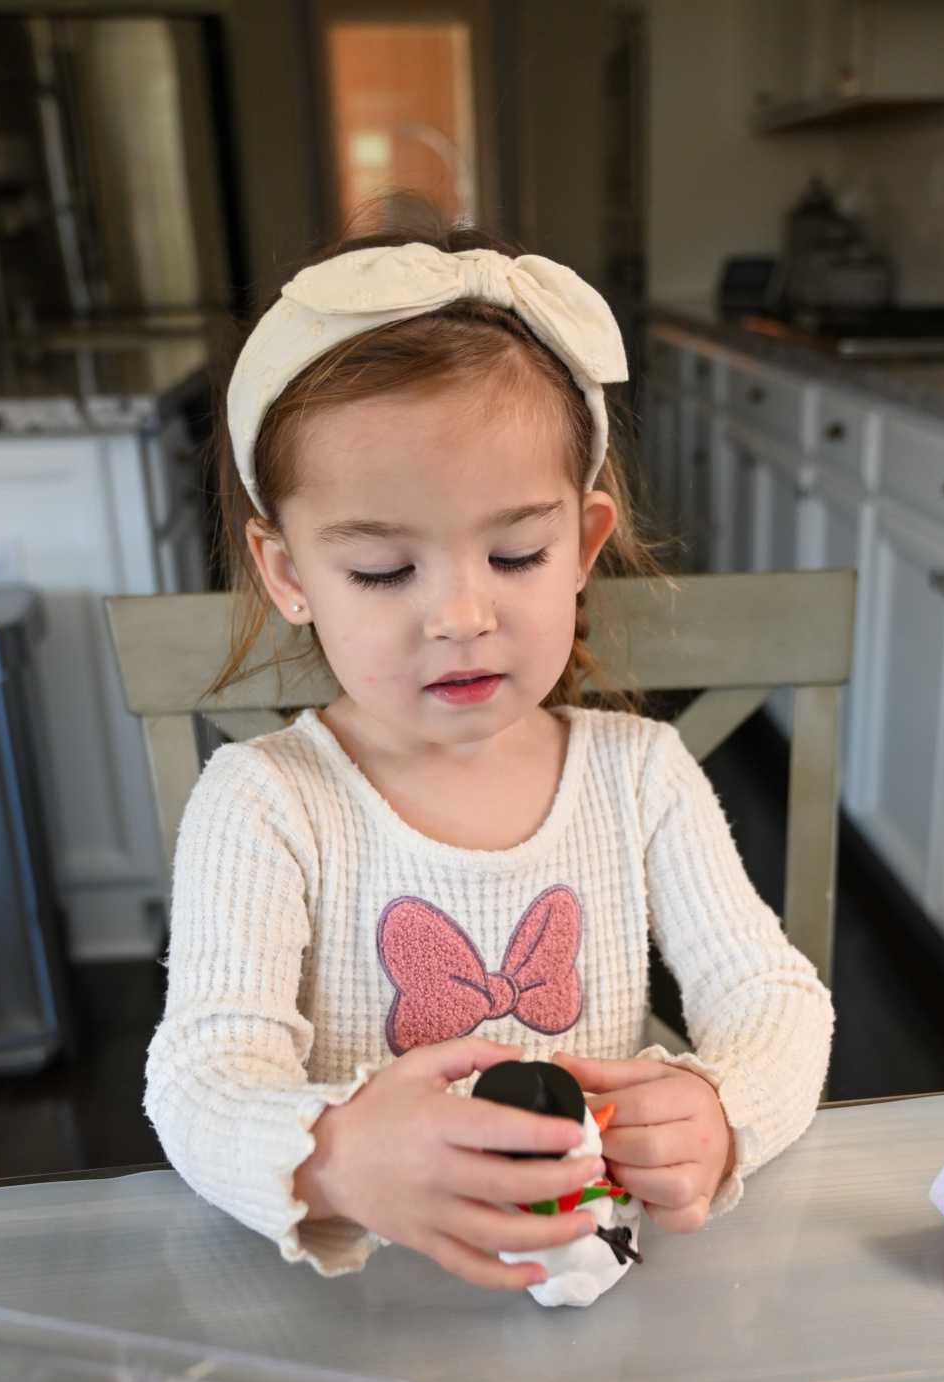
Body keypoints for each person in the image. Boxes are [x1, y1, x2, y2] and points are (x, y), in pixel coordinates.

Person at [144, 196, 834, 1289]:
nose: (460, 614)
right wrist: (331, 1155)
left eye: (514, 554)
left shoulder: (639, 776)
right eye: (382, 571)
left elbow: (773, 999)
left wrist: (721, 1105)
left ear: (582, 543)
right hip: (367, 1299)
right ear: (290, 575)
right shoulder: (266, 802)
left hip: (598, 1291)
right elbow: (200, 1079)